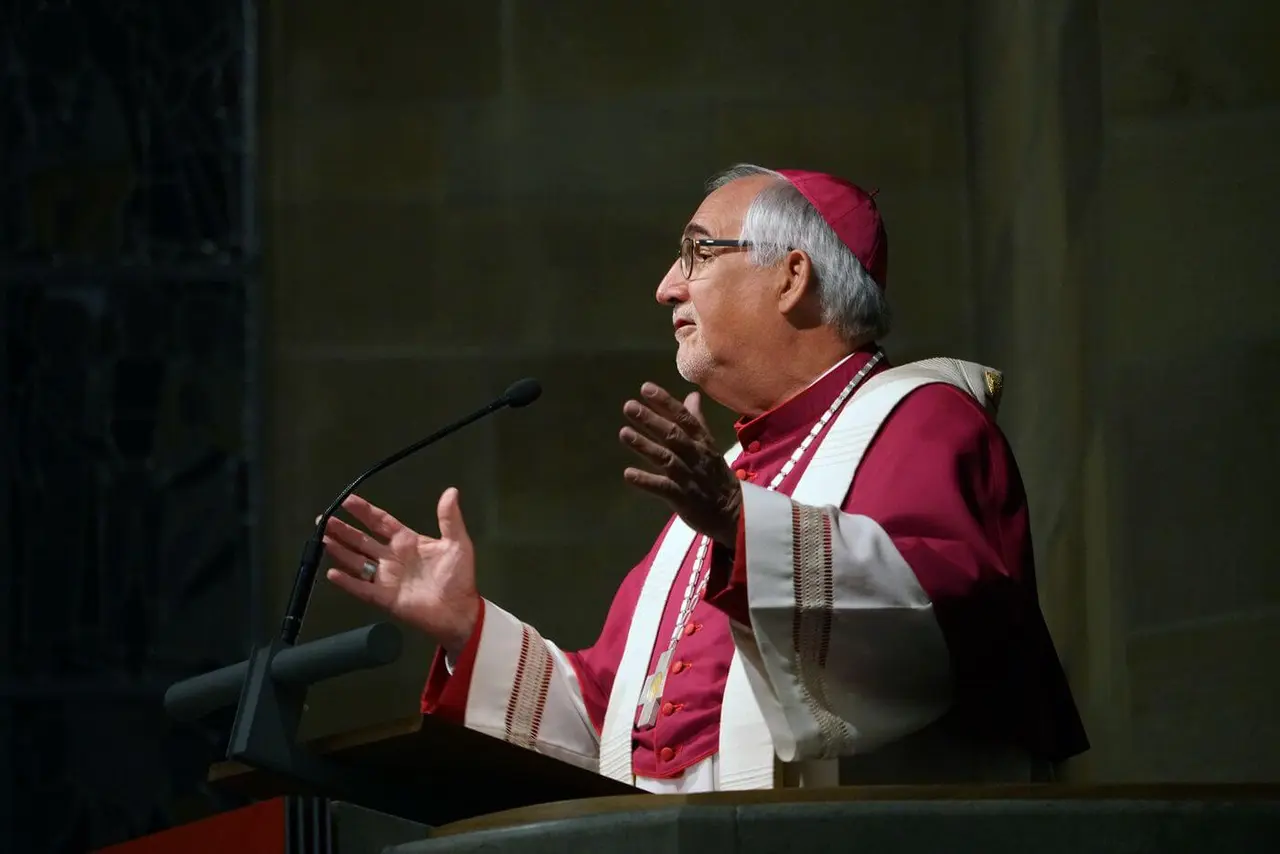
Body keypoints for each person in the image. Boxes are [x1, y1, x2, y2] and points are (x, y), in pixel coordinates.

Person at [320, 163, 1089, 793]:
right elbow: (616, 730)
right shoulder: (723, 483)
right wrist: (468, 629)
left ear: (791, 277)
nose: (666, 286)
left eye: (696, 253)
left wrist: (741, 524)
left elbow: (944, 621)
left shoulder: (922, 423)